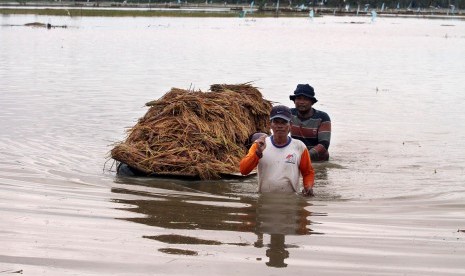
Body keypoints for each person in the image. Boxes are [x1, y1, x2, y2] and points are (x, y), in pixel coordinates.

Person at [240, 105, 315, 196]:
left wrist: (308, 187)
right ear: (270, 125)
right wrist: (258, 153)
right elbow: (243, 170)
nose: (279, 126)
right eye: (276, 122)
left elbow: (307, 172)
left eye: (284, 122)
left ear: (290, 125)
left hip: (291, 201)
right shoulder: (260, 144)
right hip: (264, 201)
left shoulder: (299, 146)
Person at [289, 84, 331, 161]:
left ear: (312, 102)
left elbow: (324, 144)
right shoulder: (289, 114)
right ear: (294, 101)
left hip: (318, 160)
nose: (301, 102)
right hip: (296, 158)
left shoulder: (322, 117)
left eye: (305, 99)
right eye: (298, 98)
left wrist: (305, 156)